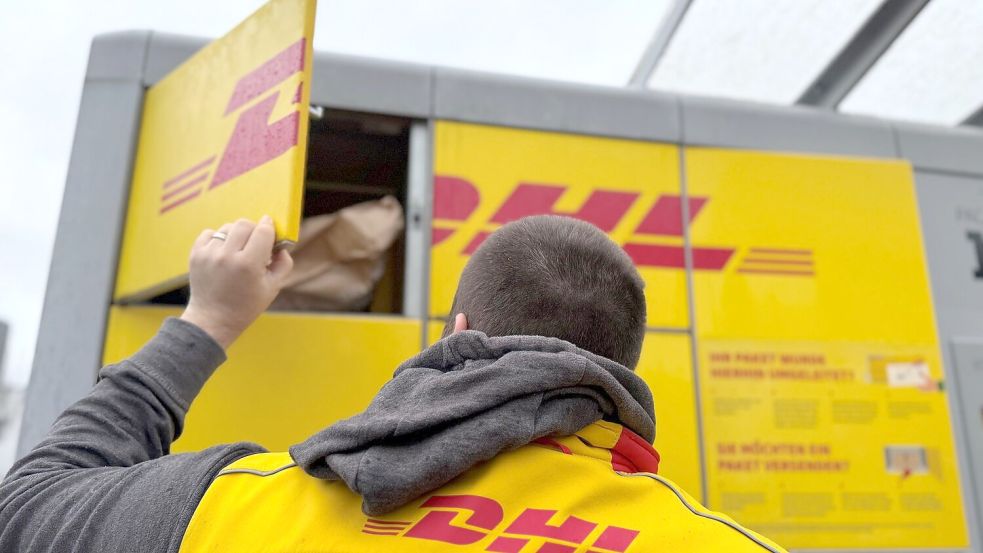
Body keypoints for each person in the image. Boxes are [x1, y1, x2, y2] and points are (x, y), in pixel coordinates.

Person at [0, 214, 786, 552]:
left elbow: (27, 505)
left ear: (458, 337)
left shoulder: (239, 505)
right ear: (618, 373)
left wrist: (208, 318)